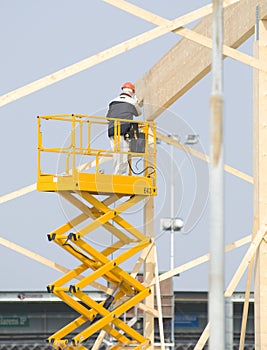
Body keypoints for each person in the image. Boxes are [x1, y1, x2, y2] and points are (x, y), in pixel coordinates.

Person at [106, 82, 142, 175]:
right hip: (122, 131)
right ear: (132, 92)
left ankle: (116, 174)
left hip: (112, 131)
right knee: (123, 156)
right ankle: (119, 176)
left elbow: (108, 117)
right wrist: (137, 103)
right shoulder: (131, 101)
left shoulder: (112, 101)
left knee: (116, 154)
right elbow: (138, 113)